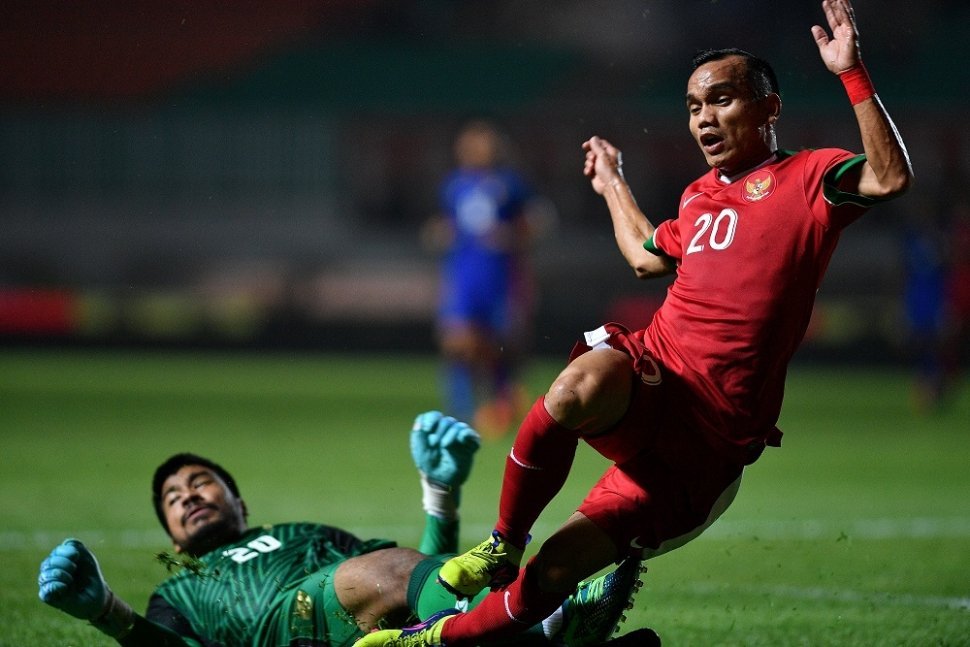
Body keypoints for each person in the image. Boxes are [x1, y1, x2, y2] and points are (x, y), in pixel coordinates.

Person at [354, 1, 913, 645]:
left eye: (722, 100)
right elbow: (647, 255)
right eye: (694, 106)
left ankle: (427, 642)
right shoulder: (700, 197)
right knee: (571, 390)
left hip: (710, 440)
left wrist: (853, 74)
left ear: (769, 108)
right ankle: (502, 542)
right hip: (656, 369)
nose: (704, 117)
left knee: (557, 569)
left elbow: (891, 177)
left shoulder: (809, 178)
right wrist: (613, 182)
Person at [38, 411, 643, 646]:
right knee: (388, 572)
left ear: (239, 502)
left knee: (403, 583)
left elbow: (420, 582)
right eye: (172, 498)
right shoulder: (178, 590)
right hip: (286, 632)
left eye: (200, 482)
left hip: (373, 631)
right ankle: (536, 630)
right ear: (172, 538)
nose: (188, 495)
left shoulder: (305, 532)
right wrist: (107, 612)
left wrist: (441, 496)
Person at [423, 120, 549, 438]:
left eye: (483, 143)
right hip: (464, 273)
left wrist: (515, 237)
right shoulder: (453, 185)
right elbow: (451, 224)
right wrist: (439, 233)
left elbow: (537, 221)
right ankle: (461, 409)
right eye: (470, 143)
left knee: (497, 344)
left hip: (500, 275)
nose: (476, 149)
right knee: (457, 342)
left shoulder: (511, 184)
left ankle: (501, 402)